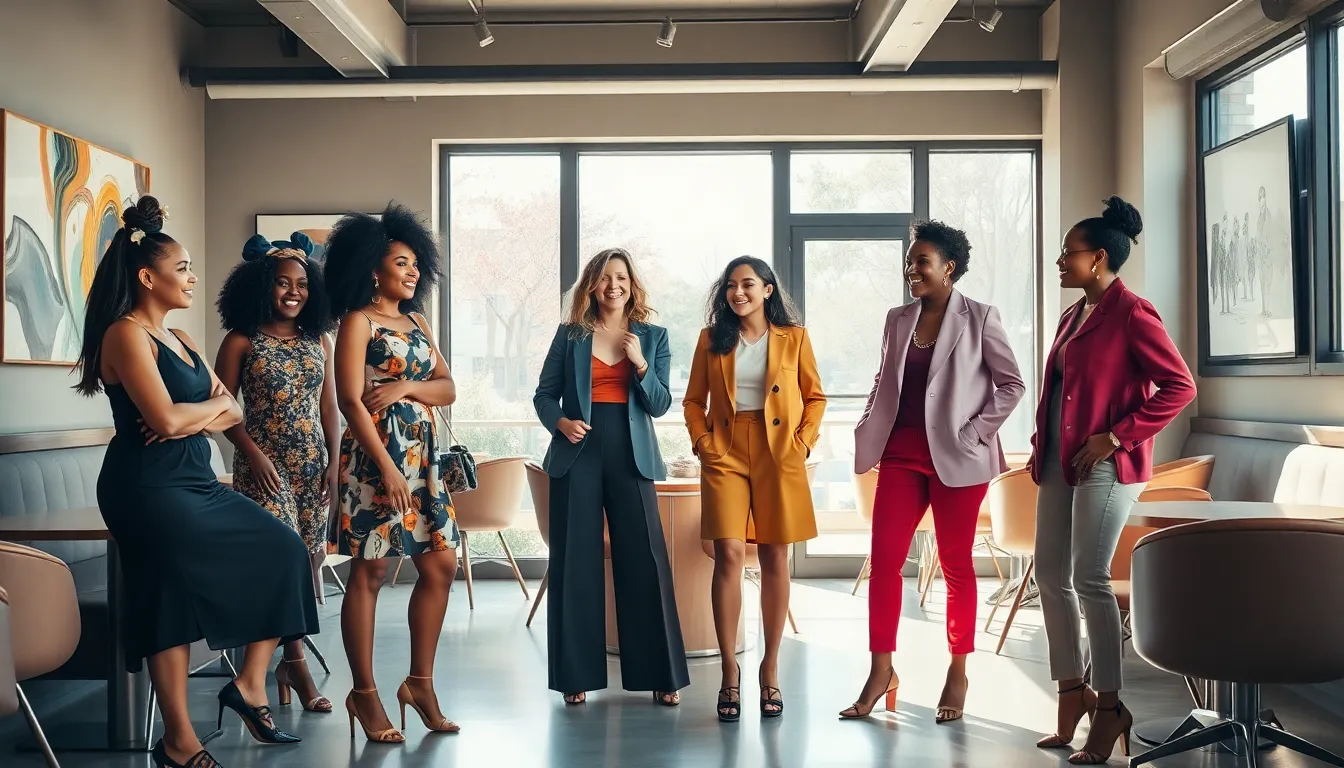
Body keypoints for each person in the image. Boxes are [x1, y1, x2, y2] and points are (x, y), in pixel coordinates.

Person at [74, 196, 319, 768]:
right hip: (146, 488)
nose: (192, 277)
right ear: (147, 276)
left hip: (196, 479)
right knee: (167, 598)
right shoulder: (125, 335)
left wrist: (193, 415)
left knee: (285, 551)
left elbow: (231, 409)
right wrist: (198, 414)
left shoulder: (180, 340)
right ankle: (179, 742)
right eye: (182, 269)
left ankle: (250, 686)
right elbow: (164, 421)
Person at [1030, 196, 1195, 764]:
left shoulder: (1132, 312)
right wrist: (1042, 448)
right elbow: (1057, 392)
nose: (1059, 260)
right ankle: (1072, 690)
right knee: (1049, 575)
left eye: (1067, 252)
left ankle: (1110, 708)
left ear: (1098, 257)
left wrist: (1118, 436)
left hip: (1105, 464)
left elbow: (1180, 386)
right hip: (1058, 461)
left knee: (1090, 577)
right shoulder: (1072, 315)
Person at [842, 220, 1025, 722]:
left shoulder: (981, 317)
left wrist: (974, 433)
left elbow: (1012, 385)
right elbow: (885, 378)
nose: (911, 269)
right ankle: (882, 671)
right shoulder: (897, 318)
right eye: (909, 260)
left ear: (949, 267)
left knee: (956, 566)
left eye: (921, 261)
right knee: (884, 564)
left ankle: (957, 670)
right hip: (899, 454)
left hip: (958, 459)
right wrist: (867, 423)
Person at [325, 204, 460, 742]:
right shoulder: (358, 321)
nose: (412, 272)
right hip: (377, 462)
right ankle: (363, 693)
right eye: (400, 263)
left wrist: (405, 386)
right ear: (372, 269)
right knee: (371, 573)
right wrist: (385, 467)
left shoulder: (418, 322)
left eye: (415, 264)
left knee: (441, 566)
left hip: (423, 465)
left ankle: (419, 684)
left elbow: (448, 388)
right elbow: (350, 400)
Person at [533, 248, 690, 707]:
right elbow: (544, 394)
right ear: (592, 286)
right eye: (604, 278)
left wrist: (640, 362)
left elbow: (660, 405)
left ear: (631, 283)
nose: (613, 285)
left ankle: (662, 674)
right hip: (576, 452)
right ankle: (573, 675)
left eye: (620, 277)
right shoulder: (570, 335)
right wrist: (560, 423)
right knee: (573, 563)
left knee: (646, 562)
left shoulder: (654, 336)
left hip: (631, 453)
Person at [683, 256, 826, 723]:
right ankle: (729, 671)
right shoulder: (711, 340)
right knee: (727, 552)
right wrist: (703, 443)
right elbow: (691, 401)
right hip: (725, 450)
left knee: (774, 557)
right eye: (730, 286)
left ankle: (770, 667)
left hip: (777, 451)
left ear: (768, 290)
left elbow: (815, 397)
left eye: (747, 284)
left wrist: (802, 442)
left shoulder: (794, 338)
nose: (737, 292)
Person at [214, 232, 339, 715]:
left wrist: (334, 462)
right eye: (283, 283)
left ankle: (288, 663)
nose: (293, 291)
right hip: (262, 468)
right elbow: (222, 409)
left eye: (303, 284)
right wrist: (253, 452)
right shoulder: (241, 339)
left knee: (307, 560)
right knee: (281, 559)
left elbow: (328, 404)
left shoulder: (318, 339)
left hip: (311, 465)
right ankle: (297, 664)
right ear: (261, 285)